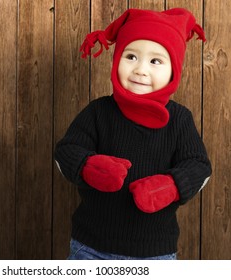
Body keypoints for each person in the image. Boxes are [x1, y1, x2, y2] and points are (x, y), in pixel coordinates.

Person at [54, 8, 212, 260]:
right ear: (117, 59)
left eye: (155, 61)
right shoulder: (98, 112)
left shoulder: (180, 119)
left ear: (174, 70)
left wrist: (171, 185)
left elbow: (199, 167)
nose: (140, 70)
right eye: (131, 56)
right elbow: (65, 153)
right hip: (91, 247)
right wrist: (88, 166)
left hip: (155, 253)